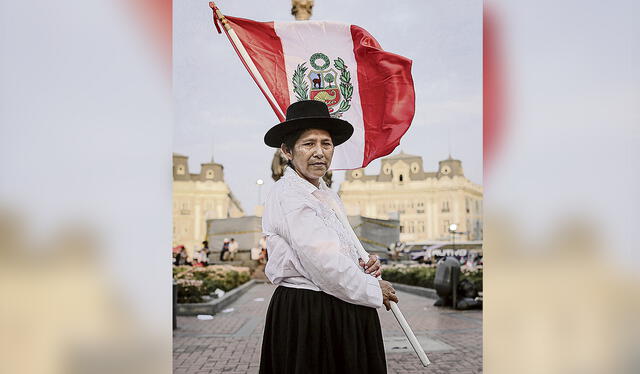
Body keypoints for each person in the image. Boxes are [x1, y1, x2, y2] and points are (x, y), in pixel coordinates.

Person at [259, 100, 398, 374]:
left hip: (338, 305)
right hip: (313, 313)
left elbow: (339, 247)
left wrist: (364, 264)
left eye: (326, 143)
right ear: (287, 151)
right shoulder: (290, 195)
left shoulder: (326, 194)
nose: (319, 152)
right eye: (308, 144)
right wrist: (372, 290)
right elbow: (322, 261)